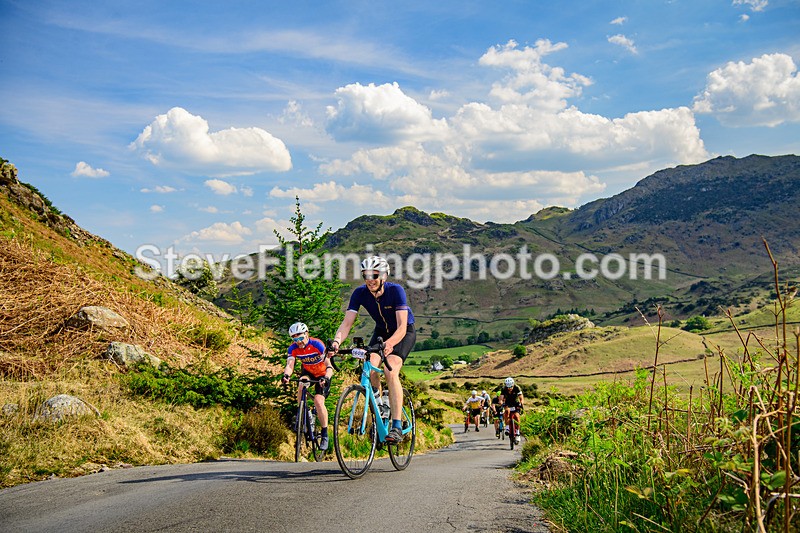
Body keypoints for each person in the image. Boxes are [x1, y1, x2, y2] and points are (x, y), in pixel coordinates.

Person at [329, 256, 416, 444]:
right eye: (366, 275)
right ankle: (380, 405)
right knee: (369, 366)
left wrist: (390, 345)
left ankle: (397, 425)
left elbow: (401, 327)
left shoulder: (396, 291)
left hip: (403, 333)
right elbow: (346, 324)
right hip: (381, 332)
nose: (370, 279)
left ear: (384, 276)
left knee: (390, 369)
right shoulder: (359, 293)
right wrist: (336, 342)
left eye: (374, 275)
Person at [281, 322, 333, 451]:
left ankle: (325, 434)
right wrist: (286, 375)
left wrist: (326, 378)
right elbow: (290, 364)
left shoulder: (317, 344)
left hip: (322, 374)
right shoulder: (293, 348)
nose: (298, 341)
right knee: (301, 383)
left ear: (307, 334)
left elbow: (329, 365)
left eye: (300, 337)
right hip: (308, 373)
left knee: (318, 401)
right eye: (295, 339)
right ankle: (303, 413)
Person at [500, 377, 524, 444]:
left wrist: (521, 404)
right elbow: (501, 399)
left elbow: (521, 398)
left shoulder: (517, 388)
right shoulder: (504, 389)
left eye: (510, 387)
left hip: (515, 403)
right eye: (508, 387)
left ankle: (518, 433)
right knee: (507, 412)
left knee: (517, 417)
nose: (509, 388)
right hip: (508, 403)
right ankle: (507, 427)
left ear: (513, 385)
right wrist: (502, 403)